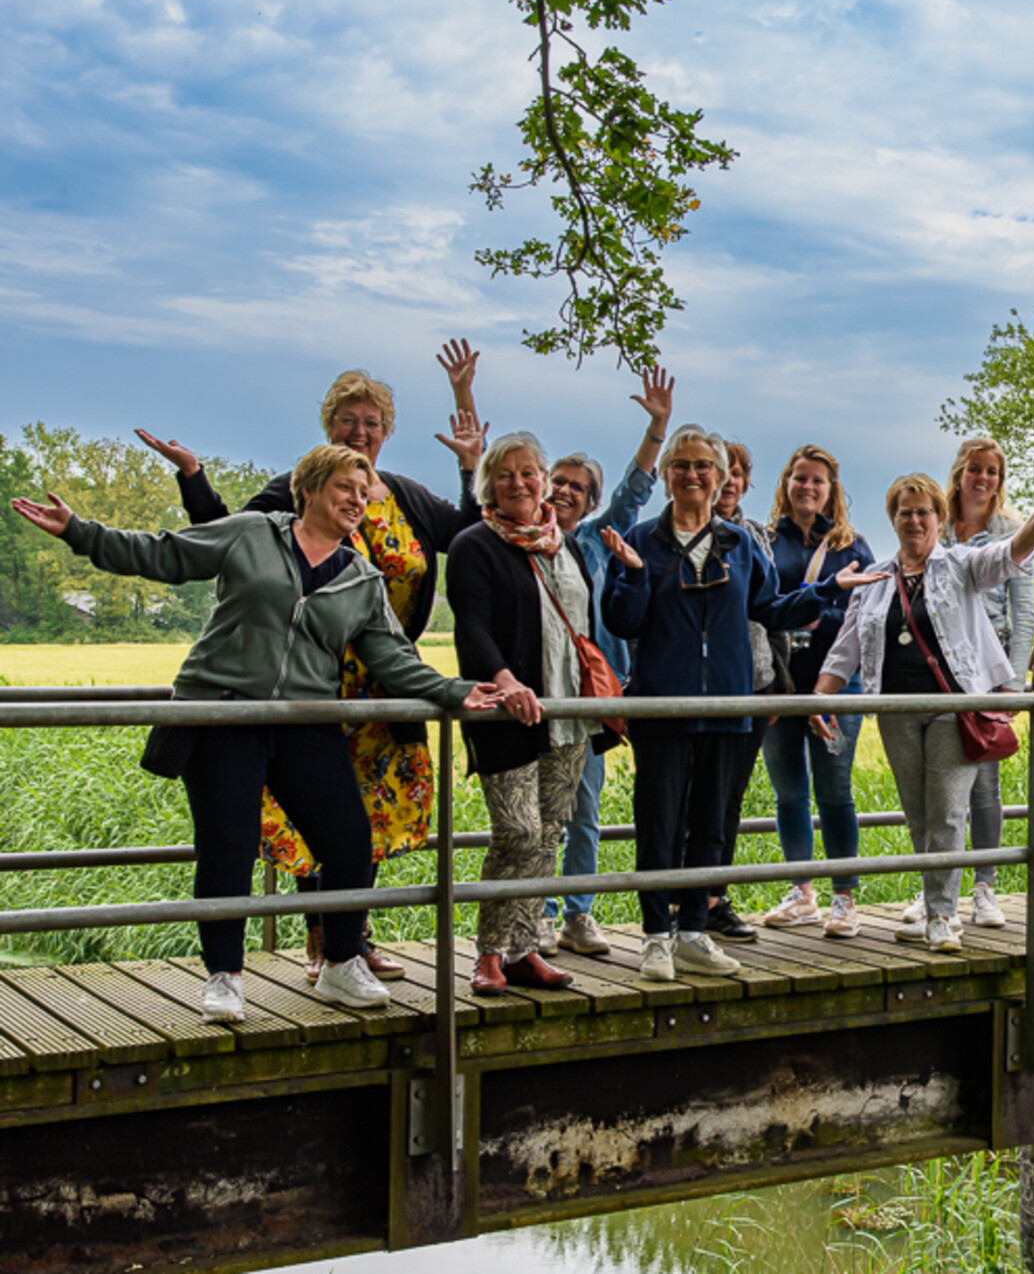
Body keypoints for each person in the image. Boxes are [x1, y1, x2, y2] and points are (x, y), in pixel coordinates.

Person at [14, 445, 500, 1022]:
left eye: (362, 491)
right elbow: (162, 555)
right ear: (309, 490)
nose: (356, 500)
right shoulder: (250, 535)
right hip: (224, 714)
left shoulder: (362, 579)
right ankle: (224, 977)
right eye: (344, 487)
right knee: (230, 846)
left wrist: (455, 691)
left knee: (350, 844)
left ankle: (342, 963)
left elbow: (395, 660)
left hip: (304, 721)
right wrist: (80, 532)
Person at [134, 349, 489, 983]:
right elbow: (221, 535)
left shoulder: (405, 495)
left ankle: (352, 939)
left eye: (372, 421)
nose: (361, 431)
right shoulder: (299, 487)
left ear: (387, 430)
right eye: (349, 420)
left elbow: (467, 533)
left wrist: (469, 457)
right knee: (293, 812)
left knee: (364, 817)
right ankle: (320, 937)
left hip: (386, 676)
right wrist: (193, 475)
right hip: (311, 678)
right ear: (330, 427)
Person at [602, 426, 859, 981]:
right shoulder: (642, 539)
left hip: (728, 704)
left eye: (702, 466)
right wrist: (632, 575)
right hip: (662, 708)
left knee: (712, 824)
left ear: (720, 478)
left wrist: (830, 588)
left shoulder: (741, 545)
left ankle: (694, 931)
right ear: (667, 473)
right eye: (681, 465)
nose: (692, 475)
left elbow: (771, 608)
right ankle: (654, 937)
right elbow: (622, 621)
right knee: (658, 820)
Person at [813, 469, 1034, 950]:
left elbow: (1012, 553)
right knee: (919, 814)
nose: (914, 520)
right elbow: (845, 647)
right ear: (893, 519)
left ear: (939, 518)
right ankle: (935, 898)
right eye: (905, 511)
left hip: (954, 709)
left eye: (924, 512)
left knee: (949, 811)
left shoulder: (960, 564)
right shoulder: (874, 579)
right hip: (896, 710)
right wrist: (820, 698)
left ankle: (941, 916)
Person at [448, 433, 621, 997]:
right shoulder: (476, 544)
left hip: (567, 714)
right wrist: (504, 680)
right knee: (517, 832)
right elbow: (471, 626)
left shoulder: (562, 544)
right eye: (505, 474)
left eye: (529, 473)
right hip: (509, 715)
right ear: (487, 485)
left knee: (548, 835)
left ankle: (523, 951)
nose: (518, 483)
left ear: (544, 480)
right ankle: (490, 954)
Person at [539, 369, 674, 957]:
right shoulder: (515, 540)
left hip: (591, 700)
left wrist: (657, 428)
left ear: (591, 503)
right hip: (537, 696)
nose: (564, 492)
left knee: (585, 808)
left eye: (577, 487)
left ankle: (578, 913)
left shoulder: (597, 541)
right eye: (558, 483)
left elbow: (635, 491)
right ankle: (539, 913)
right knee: (544, 812)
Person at [897, 437, 1034, 930]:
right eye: (975, 468)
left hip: (986, 670)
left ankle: (984, 887)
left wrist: (1013, 683)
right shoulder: (935, 523)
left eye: (992, 471)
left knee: (983, 785)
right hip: (934, 669)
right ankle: (934, 888)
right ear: (959, 472)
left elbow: (1023, 614)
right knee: (932, 795)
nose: (983, 478)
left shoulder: (1011, 531)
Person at [758, 445, 879, 937]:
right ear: (786, 483)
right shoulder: (765, 541)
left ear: (833, 490)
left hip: (836, 684)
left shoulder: (852, 546)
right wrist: (798, 608)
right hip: (779, 683)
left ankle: (844, 896)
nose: (808, 488)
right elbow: (760, 604)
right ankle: (801, 890)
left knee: (834, 790)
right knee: (788, 792)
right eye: (800, 478)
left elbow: (866, 612)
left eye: (819, 481)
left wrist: (817, 614)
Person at [701, 440, 791, 943]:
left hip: (750, 684)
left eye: (739, 472)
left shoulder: (754, 535)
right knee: (687, 795)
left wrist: (777, 685)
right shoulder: (671, 533)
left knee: (728, 797)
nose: (730, 480)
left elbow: (771, 610)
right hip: (687, 687)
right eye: (723, 470)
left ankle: (714, 898)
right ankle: (676, 898)